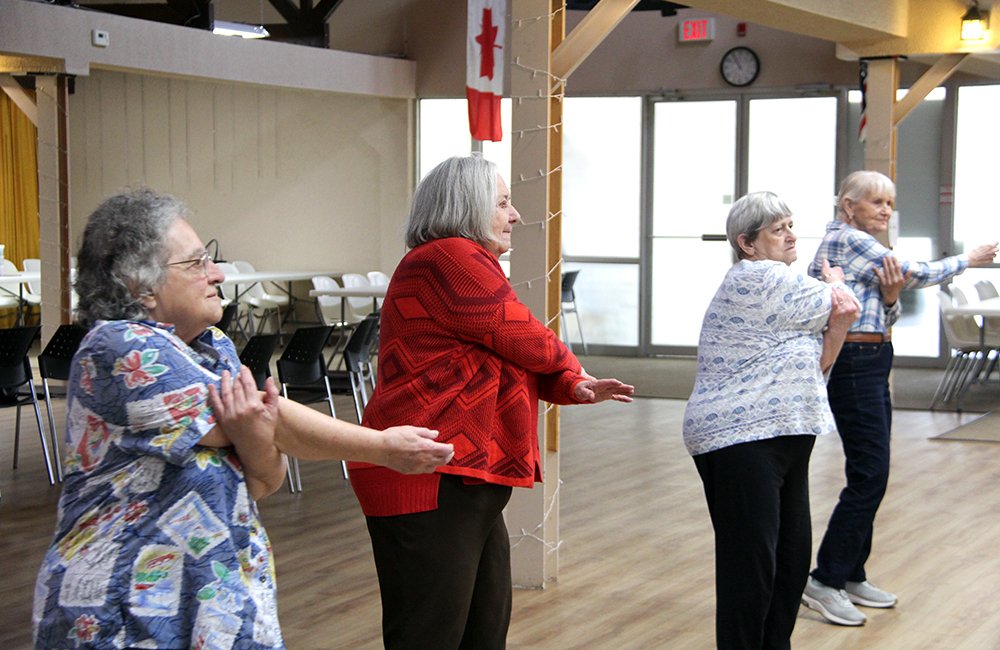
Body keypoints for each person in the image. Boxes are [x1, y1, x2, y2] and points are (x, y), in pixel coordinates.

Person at [32, 188, 455, 649]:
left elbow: (266, 476)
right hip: (123, 611)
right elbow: (269, 423)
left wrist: (254, 437)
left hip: (208, 604)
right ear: (140, 286)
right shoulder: (119, 347)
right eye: (195, 264)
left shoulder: (213, 347)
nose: (217, 273)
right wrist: (381, 447)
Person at [347, 155, 635, 649]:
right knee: (429, 634)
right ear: (466, 208)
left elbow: (503, 356)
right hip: (425, 471)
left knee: (482, 630)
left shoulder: (455, 260)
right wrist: (572, 372)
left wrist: (572, 385)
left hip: (455, 475)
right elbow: (520, 333)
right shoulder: (447, 257)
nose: (515, 214)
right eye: (502, 202)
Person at [802, 170, 999, 626]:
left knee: (871, 471)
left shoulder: (862, 246)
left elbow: (884, 305)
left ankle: (850, 572)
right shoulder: (849, 239)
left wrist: (890, 294)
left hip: (872, 357)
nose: (886, 211)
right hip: (854, 364)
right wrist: (968, 259)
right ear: (849, 206)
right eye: (876, 202)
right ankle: (825, 579)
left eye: (889, 203)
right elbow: (917, 273)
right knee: (870, 473)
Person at [683, 192, 858, 649]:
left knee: (791, 561)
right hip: (739, 439)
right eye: (778, 229)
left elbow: (819, 363)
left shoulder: (785, 290)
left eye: (791, 225)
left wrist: (837, 325)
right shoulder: (759, 278)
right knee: (752, 567)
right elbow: (842, 297)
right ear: (748, 244)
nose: (792, 235)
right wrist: (837, 289)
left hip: (784, 435)